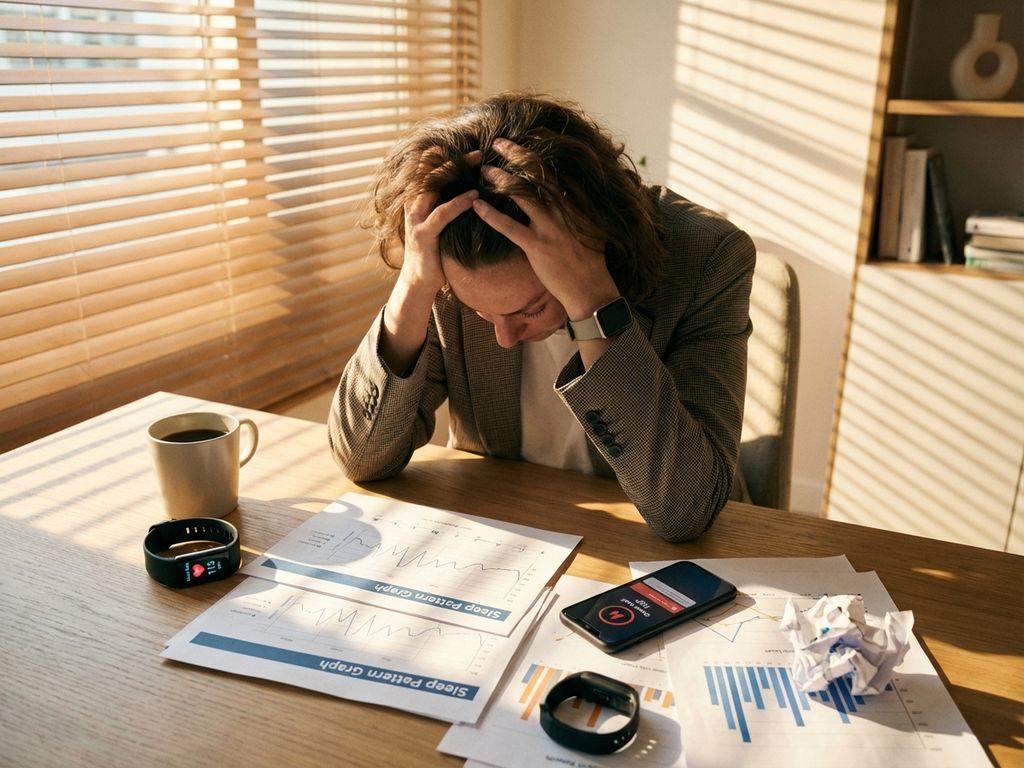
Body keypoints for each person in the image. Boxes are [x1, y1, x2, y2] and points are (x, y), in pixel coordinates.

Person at [328, 92, 754, 542]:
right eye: (480, 310)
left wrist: (593, 303)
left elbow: (683, 511)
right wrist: (414, 287)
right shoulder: (451, 253)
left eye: (529, 308)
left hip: (644, 545)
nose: (505, 336)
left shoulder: (710, 258)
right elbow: (362, 458)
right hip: (508, 529)